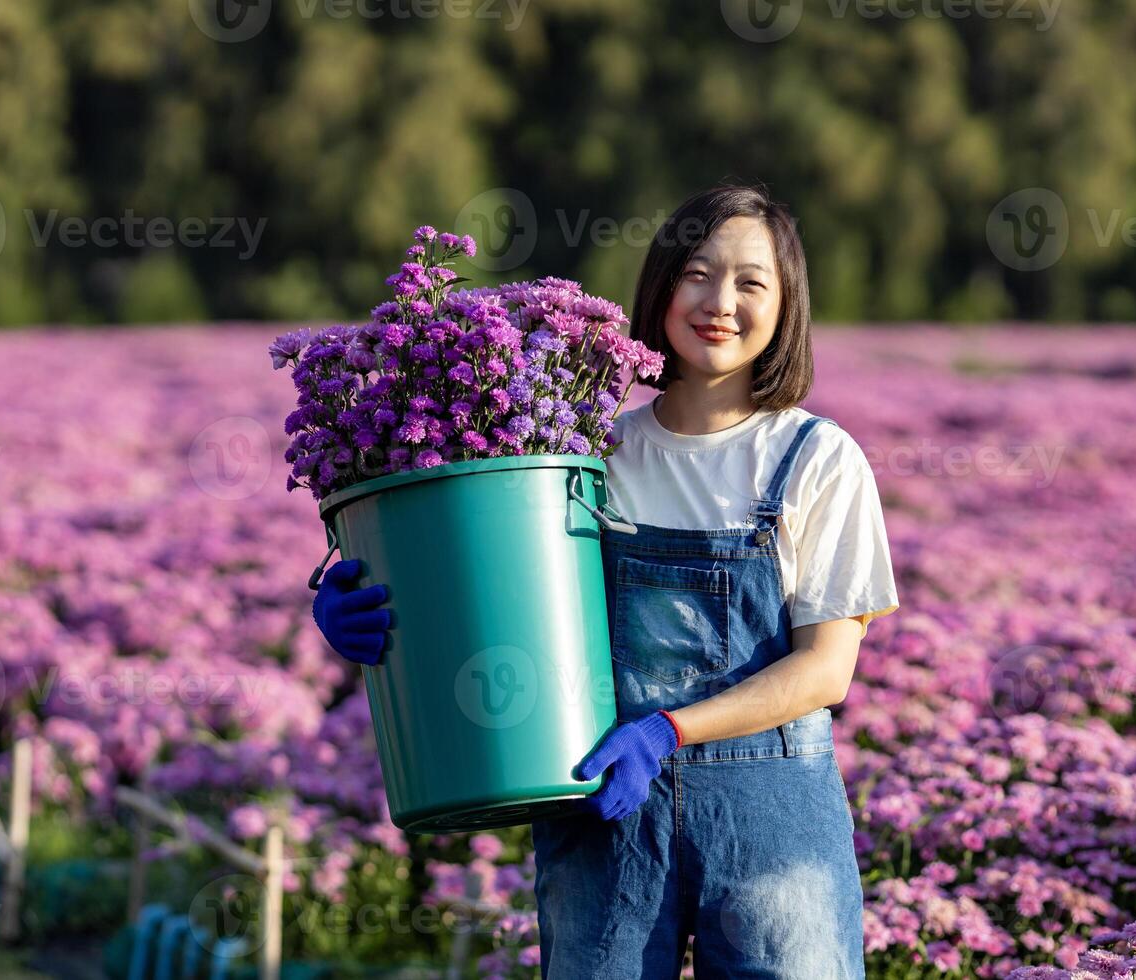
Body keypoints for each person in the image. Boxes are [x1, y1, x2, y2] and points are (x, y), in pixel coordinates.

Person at [313, 182, 899, 978]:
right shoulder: (584, 455)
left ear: (786, 306)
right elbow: (492, 596)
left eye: (751, 282)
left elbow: (825, 669)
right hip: (602, 801)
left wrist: (666, 732)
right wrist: (370, 596)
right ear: (660, 284)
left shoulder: (817, 460)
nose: (720, 302)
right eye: (697, 272)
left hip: (771, 813)